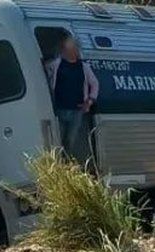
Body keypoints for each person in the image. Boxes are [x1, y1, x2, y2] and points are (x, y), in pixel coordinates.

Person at [45, 34, 99, 166]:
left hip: (77, 110)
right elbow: (45, 72)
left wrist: (90, 101)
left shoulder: (84, 67)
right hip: (59, 109)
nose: (69, 52)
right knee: (58, 140)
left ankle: (67, 166)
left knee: (70, 141)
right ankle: (58, 166)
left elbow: (95, 84)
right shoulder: (56, 64)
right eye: (67, 49)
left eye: (72, 49)